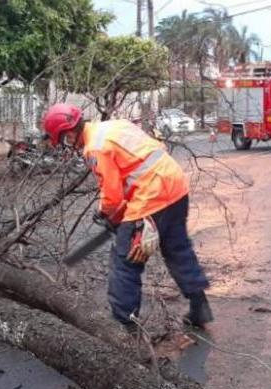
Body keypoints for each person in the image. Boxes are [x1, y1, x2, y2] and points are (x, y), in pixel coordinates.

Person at [42, 103, 213, 332]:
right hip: (175, 185)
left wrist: (105, 213)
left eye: (64, 140)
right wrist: (121, 215)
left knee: (125, 261)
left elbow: (112, 196)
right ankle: (199, 305)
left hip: (151, 197)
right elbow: (134, 169)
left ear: (69, 133)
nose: (68, 146)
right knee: (177, 248)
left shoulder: (96, 148)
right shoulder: (115, 125)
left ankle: (123, 323)